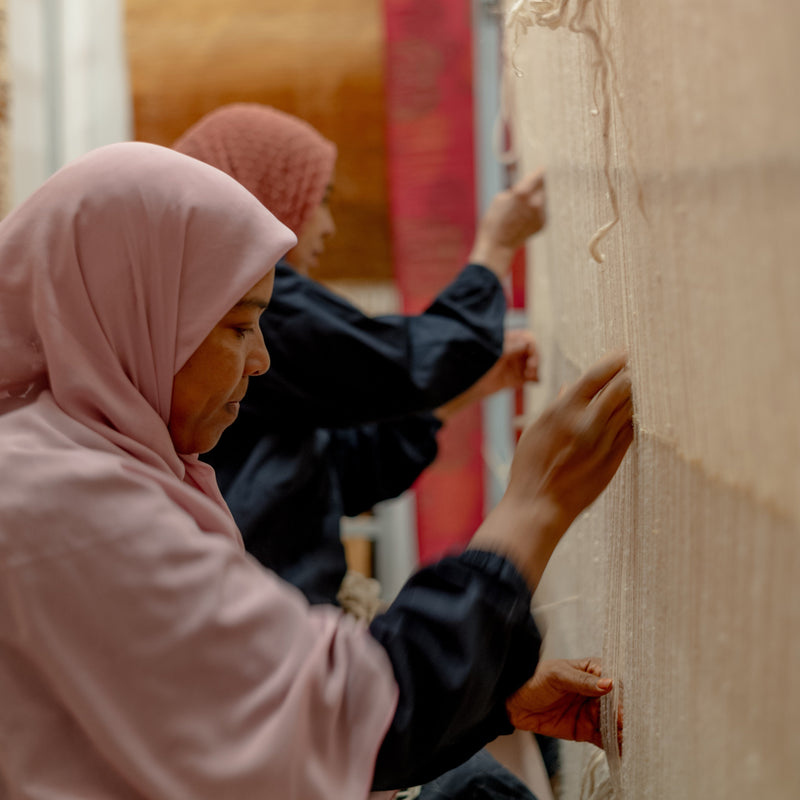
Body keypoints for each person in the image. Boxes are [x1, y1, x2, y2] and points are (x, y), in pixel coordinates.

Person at [0, 142, 633, 798]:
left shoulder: (80, 465)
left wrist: (485, 705)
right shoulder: (63, 501)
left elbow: (223, 725)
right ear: (134, 315)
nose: (262, 361)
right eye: (239, 326)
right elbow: (327, 727)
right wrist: (533, 507)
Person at [172, 103, 546, 607]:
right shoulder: (261, 302)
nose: (327, 227)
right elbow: (407, 368)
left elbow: (335, 475)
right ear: (265, 195)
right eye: (318, 201)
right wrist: (496, 249)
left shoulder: (223, 315)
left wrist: (469, 386)